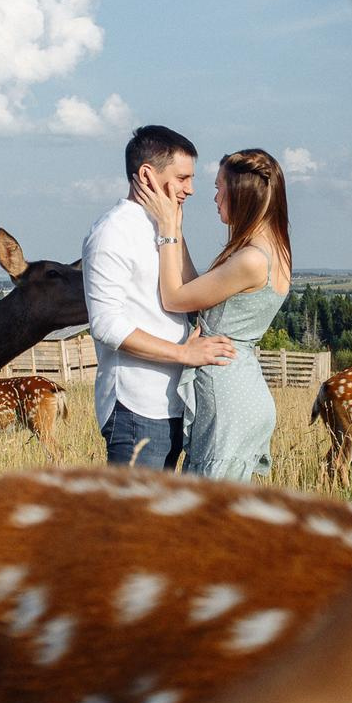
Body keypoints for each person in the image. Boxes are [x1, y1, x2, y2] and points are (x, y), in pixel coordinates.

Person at [81, 125, 235, 468]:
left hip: (174, 403)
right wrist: (183, 354)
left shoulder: (163, 225)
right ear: (147, 175)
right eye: (182, 178)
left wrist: (174, 229)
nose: (190, 189)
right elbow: (106, 325)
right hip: (136, 407)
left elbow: (191, 293)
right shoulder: (112, 232)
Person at [137, 148, 293, 481]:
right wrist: (177, 230)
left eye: (220, 187)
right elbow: (198, 290)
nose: (215, 197)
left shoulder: (251, 259)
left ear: (241, 194)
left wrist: (166, 228)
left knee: (208, 504)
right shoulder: (273, 250)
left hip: (226, 390)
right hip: (242, 385)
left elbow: (175, 298)